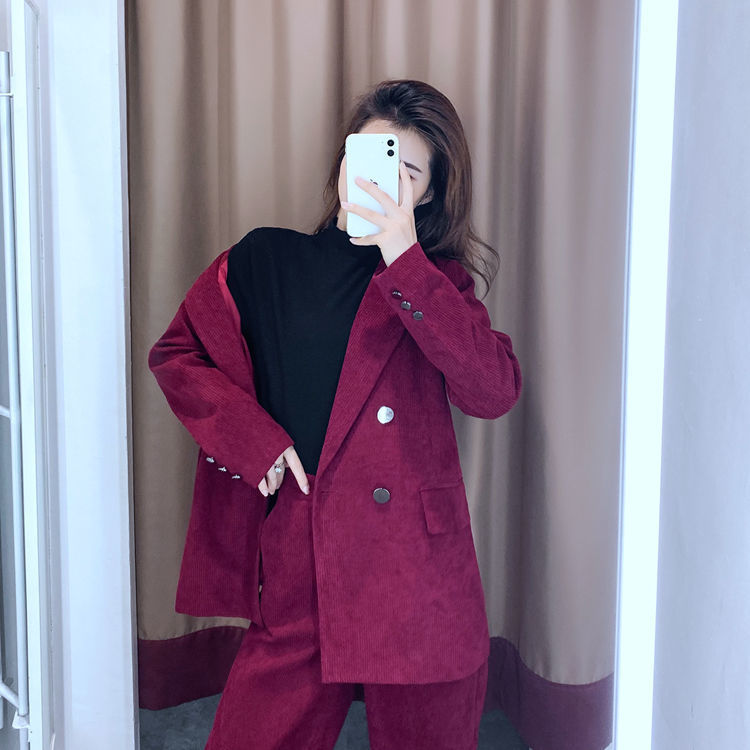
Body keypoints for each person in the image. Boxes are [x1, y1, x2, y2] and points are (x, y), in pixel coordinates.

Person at [149, 78, 522, 750]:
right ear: (345, 159)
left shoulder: (436, 283)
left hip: (416, 565)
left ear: (428, 195)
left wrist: (404, 258)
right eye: (370, 155)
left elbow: (492, 392)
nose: (380, 179)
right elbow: (179, 353)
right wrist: (252, 441)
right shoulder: (267, 259)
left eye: (406, 171)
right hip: (304, 547)